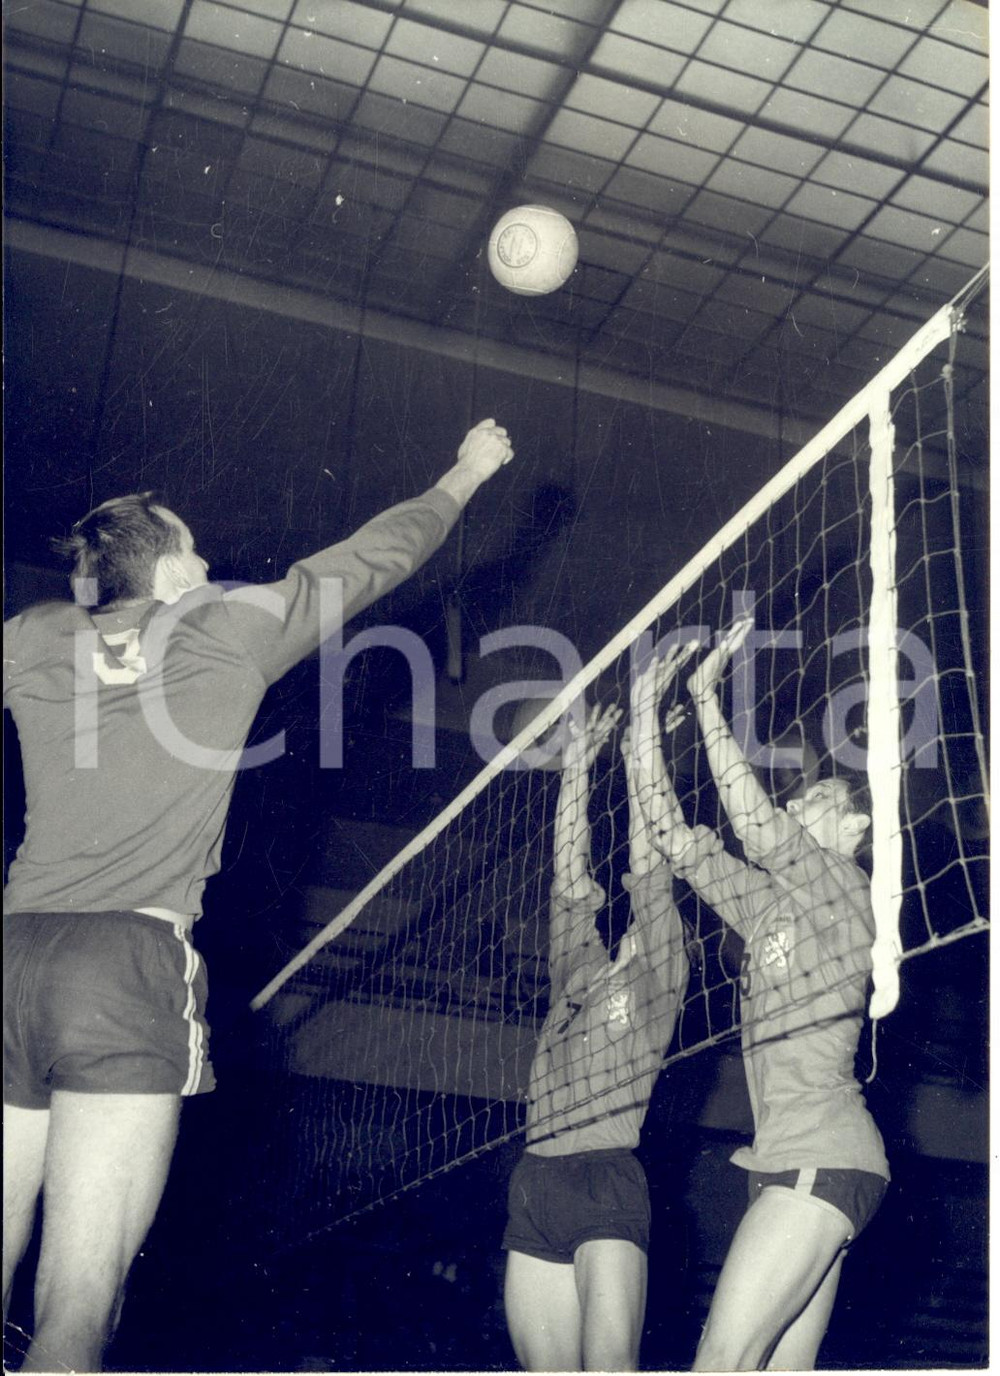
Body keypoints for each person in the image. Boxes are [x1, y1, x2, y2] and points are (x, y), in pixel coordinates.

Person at [2, 417, 515, 1373]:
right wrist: (467, 472)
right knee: (78, 1302)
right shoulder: (225, 626)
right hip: (124, 965)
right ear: (173, 574)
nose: (207, 560)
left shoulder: (33, 635)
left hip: (11, 955)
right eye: (194, 548)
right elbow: (378, 555)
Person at [629, 624, 889, 1371]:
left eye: (822, 797)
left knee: (719, 1360)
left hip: (821, 1156)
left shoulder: (842, 888)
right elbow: (677, 839)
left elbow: (755, 824)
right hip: (790, 1162)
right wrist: (646, 717)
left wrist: (708, 701)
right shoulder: (772, 907)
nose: (802, 800)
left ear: (855, 825)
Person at [502, 700, 690, 1372]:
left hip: (605, 1180)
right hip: (535, 1181)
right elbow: (568, 869)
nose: (641, 908)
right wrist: (577, 766)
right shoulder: (577, 967)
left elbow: (652, 862)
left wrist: (644, 753)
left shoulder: (663, 974)